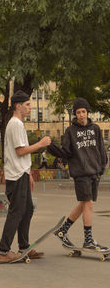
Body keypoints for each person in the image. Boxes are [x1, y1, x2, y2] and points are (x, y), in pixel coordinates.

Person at [0, 90, 51, 263]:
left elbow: (20, 153)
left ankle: (24, 247)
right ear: (18, 106)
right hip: (16, 176)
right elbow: (20, 151)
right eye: (27, 105)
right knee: (17, 212)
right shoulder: (15, 124)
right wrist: (41, 144)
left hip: (21, 174)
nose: (30, 108)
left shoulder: (17, 124)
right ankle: (3, 251)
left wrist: (28, 174)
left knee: (27, 210)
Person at [47, 97, 109, 250]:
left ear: (88, 112)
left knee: (84, 204)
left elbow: (101, 149)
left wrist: (102, 167)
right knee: (87, 204)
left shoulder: (95, 129)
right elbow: (66, 152)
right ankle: (88, 240)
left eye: (83, 111)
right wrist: (51, 147)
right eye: (78, 112)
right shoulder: (70, 131)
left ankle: (63, 230)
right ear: (75, 114)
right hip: (80, 173)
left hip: (95, 172)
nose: (81, 115)